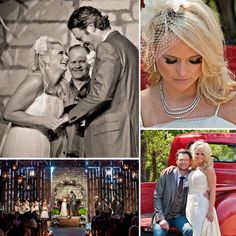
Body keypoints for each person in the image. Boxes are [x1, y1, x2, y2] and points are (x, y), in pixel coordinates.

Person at [141, 0, 236, 128]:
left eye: (195, 60)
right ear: (152, 51)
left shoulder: (231, 103)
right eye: (171, 60)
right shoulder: (136, 106)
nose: (182, 72)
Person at [65, 6, 139, 157]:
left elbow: (101, 94)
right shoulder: (127, 45)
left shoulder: (107, 46)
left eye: (81, 38)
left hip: (114, 139)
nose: (84, 43)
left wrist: (68, 116)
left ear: (91, 27)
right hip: (129, 128)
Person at [0, 35, 68, 157]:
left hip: (44, 145)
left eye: (66, 53)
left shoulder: (58, 87)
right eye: (60, 53)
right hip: (23, 144)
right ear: (45, 58)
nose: (66, 58)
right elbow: (8, 113)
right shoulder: (36, 81)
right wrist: (44, 121)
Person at [51, 44, 91, 157]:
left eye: (82, 61)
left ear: (89, 62)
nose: (77, 66)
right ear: (68, 64)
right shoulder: (57, 93)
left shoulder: (100, 92)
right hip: (62, 155)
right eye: (73, 62)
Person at [153, 149, 193, 236]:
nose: (183, 162)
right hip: (164, 214)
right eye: (181, 160)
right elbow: (157, 196)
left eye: (186, 160)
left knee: (190, 230)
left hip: (180, 216)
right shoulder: (166, 174)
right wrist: (161, 218)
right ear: (176, 161)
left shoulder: (193, 176)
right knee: (159, 234)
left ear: (190, 162)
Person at [187, 140, 221, 236]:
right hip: (190, 203)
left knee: (198, 231)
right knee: (193, 229)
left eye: (203, 154)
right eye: (197, 153)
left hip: (201, 203)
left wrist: (210, 211)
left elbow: (213, 191)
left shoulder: (209, 169)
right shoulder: (193, 167)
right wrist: (172, 167)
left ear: (206, 155)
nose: (200, 156)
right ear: (193, 153)